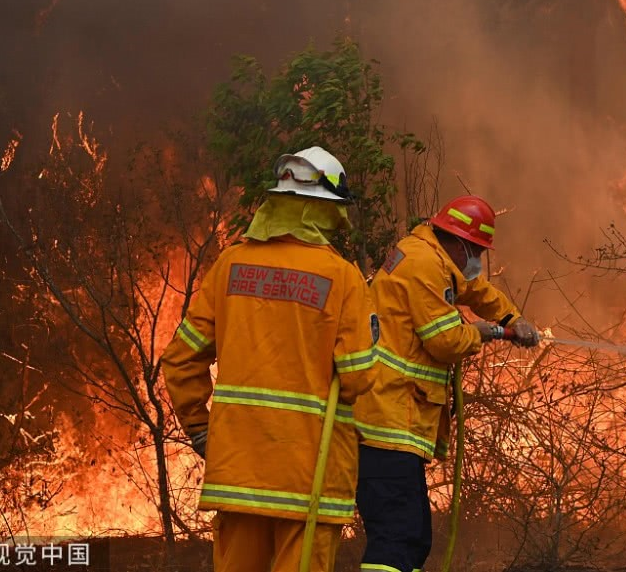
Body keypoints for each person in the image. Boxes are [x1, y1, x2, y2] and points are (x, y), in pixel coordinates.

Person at [162, 146, 378, 572]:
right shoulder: (342, 277)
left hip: (238, 473)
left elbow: (181, 358)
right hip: (308, 477)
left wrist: (201, 430)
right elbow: (357, 378)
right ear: (327, 210)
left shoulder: (230, 264)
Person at [354, 194, 539, 572]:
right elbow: (444, 341)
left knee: (413, 538)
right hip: (386, 421)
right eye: (476, 251)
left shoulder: (434, 258)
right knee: (398, 538)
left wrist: (512, 318)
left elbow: (477, 290)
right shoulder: (424, 264)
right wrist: (482, 333)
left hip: (396, 421)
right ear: (457, 242)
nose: (478, 260)